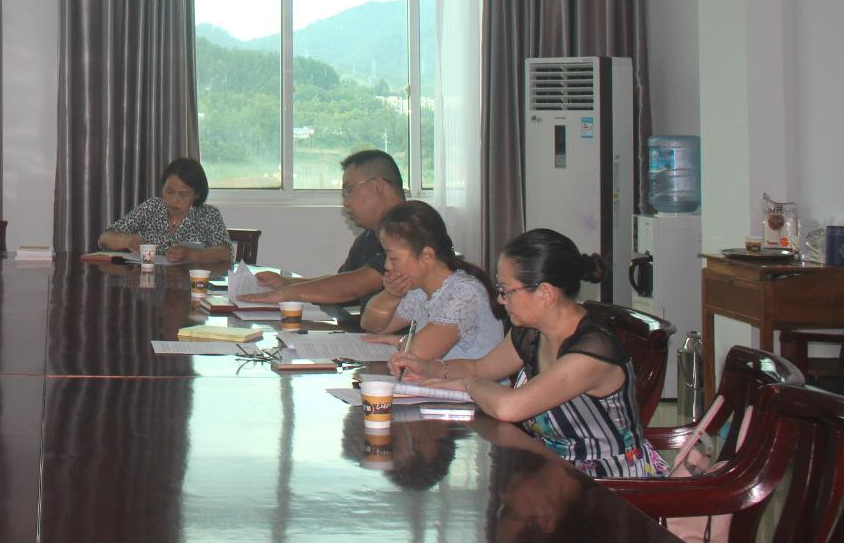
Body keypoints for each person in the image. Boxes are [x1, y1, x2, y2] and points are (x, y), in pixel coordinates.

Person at [390, 228, 667, 479]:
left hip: (612, 482)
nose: (500, 300)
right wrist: (429, 368)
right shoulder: (531, 333)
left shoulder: (591, 352)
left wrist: (467, 385)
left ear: (545, 293)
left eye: (506, 291)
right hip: (553, 472)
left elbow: (509, 406)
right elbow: (479, 369)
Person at [240, 149, 407, 305]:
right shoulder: (369, 237)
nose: (345, 202)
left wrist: (286, 293)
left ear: (377, 186)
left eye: (348, 191)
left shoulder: (412, 229)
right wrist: (286, 283)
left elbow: (352, 288)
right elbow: (341, 283)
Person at [359, 199, 504, 364]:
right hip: (438, 379)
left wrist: (400, 341)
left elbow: (418, 355)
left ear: (426, 256)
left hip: (467, 381)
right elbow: (373, 326)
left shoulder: (465, 293)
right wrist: (391, 295)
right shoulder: (419, 290)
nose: (387, 266)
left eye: (393, 257)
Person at [98, 157, 232, 265]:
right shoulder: (152, 207)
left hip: (190, 285)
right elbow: (105, 238)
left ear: (197, 194)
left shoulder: (208, 214)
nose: (174, 200)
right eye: (169, 191)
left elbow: (226, 253)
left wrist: (191, 254)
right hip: (149, 282)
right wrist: (127, 240)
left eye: (183, 194)